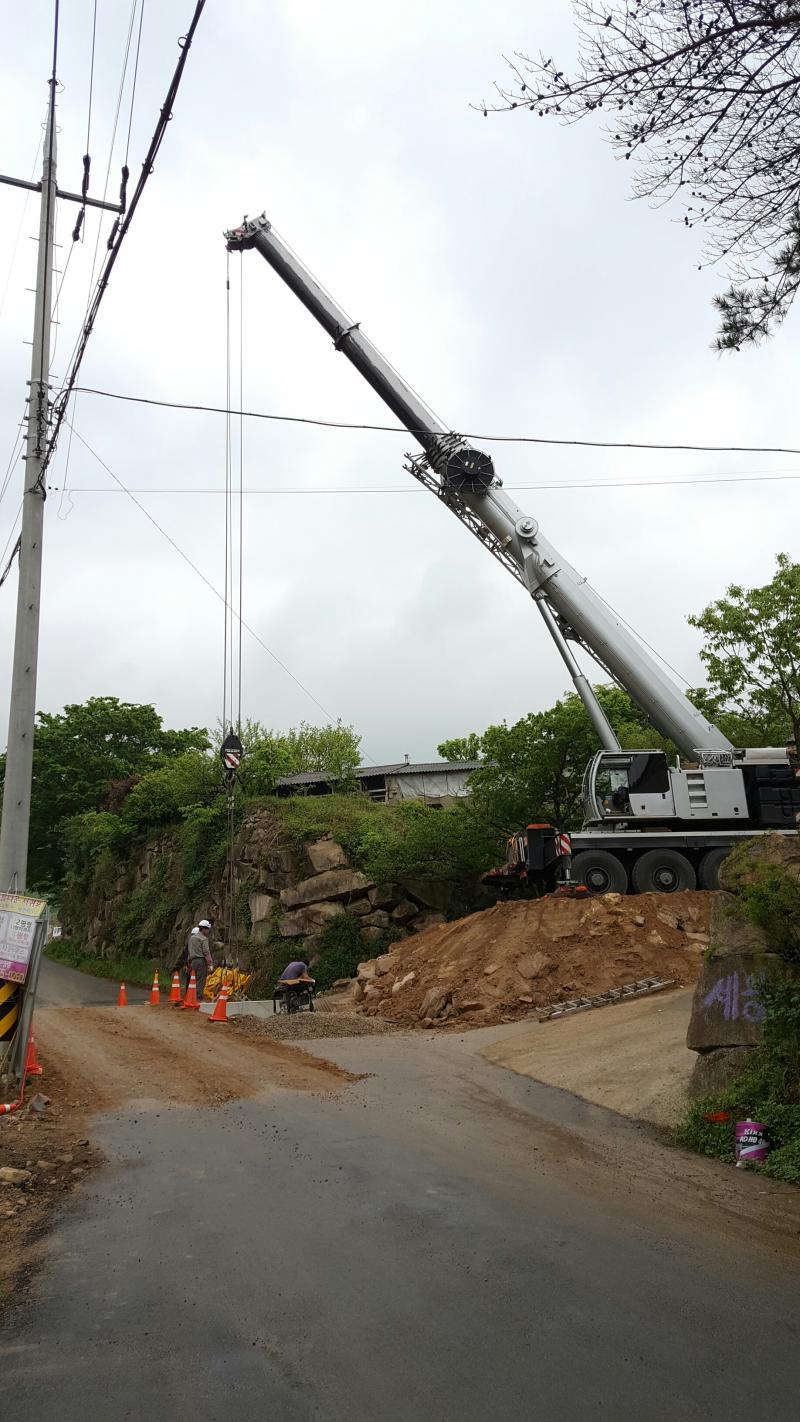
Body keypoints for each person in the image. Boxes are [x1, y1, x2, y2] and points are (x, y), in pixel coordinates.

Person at [188, 920, 214, 1002]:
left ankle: (191, 997)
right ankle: (198, 998)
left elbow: (190, 950)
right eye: (207, 929)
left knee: (193, 980)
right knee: (200, 981)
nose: (208, 931)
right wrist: (210, 964)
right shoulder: (203, 939)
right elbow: (206, 952)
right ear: (204, 929)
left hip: (192, 962)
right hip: (201, 961)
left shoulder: (192, 938)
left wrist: (189, 963)